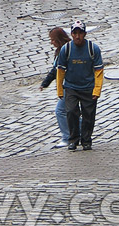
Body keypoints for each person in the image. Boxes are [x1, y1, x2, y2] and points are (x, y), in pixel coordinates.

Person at [56, 20, 103, 151]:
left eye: (80, 33)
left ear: (85, 34)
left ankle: (86, 140)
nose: (77, 36)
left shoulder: (93, 49)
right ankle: (73, 139)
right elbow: (60, 71)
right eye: (75, 33)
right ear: (71, 34)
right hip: (71, 87)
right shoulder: (66, 49)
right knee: (71, 112)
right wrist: (60, 90)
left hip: (88, 87)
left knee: (89, 115)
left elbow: (99, 71)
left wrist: (97, 90)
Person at [39, 27, 71, 147]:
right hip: (64, 86)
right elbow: (55, 70)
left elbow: (58, 70)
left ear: (58, 39)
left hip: (69, 86)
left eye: (52, 40)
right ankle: (82, 130)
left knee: (60, 111)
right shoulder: (59, 51)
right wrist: (45, 83)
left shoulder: (66, 50)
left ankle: (67, 137)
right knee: (71, 112)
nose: (51, 42)